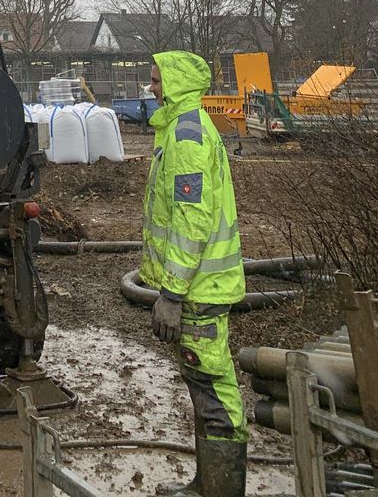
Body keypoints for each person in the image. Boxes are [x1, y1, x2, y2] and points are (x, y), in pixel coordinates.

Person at [142, 52, 247, 497]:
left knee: (213, 390)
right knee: (202, 384)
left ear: (176, 82)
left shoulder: (186, 135)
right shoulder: (181, 127)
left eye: (156, 80)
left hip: (200, 289)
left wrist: (171, 293)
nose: (151, 87)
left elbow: (191, 220)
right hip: (203, 285)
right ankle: (208, 485)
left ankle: (219, 489)